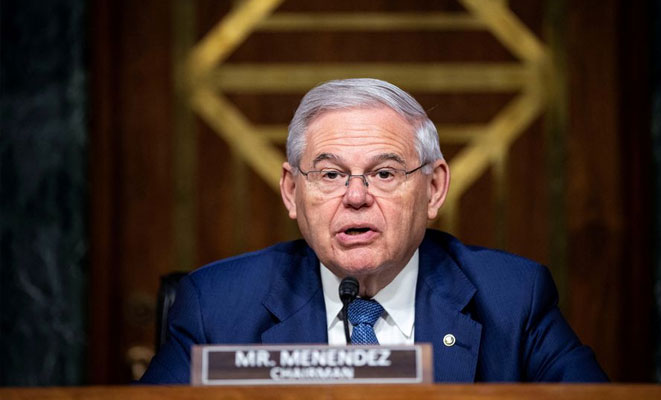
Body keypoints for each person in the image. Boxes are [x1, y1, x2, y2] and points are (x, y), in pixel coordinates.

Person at [140, 78, 607, 383]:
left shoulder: (511, 298)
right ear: (290, 191)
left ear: (434, 188)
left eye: (384, 173)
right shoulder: (217, 306)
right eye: (330, 174)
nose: (357, 196)